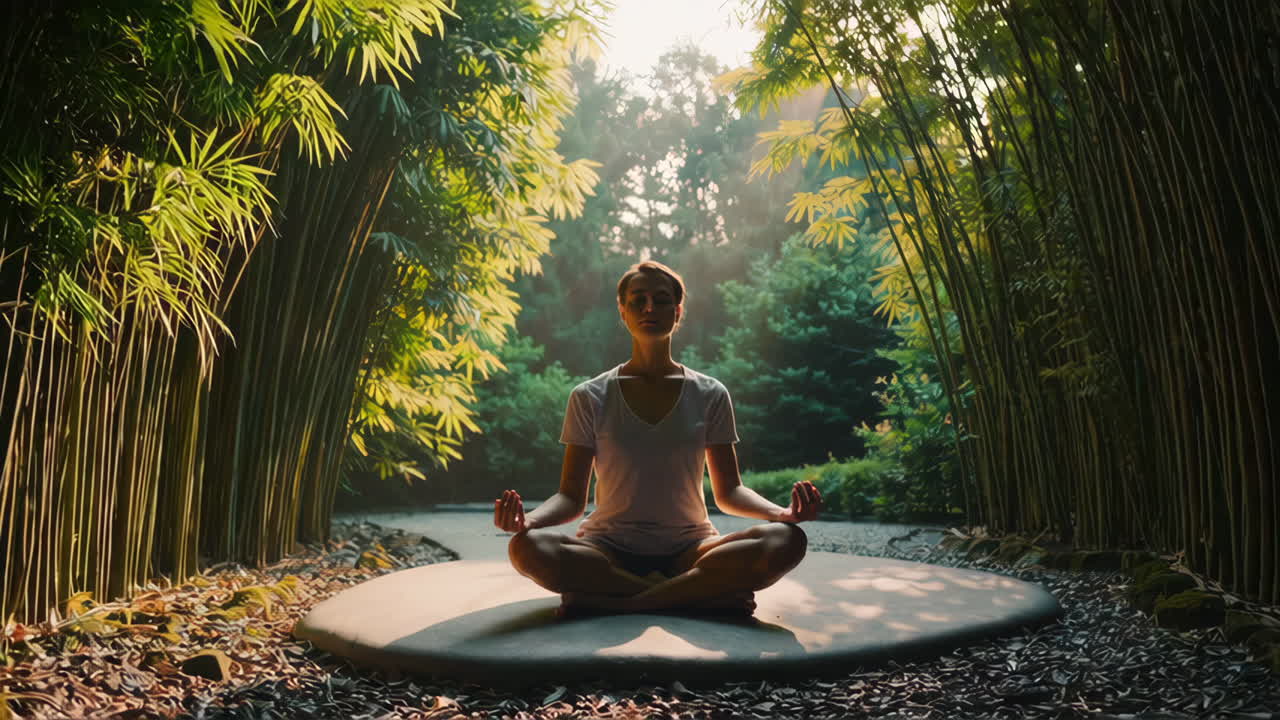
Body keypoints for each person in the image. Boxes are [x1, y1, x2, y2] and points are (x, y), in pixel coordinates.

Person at [493, 261, 821, 614]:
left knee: (786, 540)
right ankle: (693, 595)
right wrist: (528, 522)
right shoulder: (590, 395)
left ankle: (620, 602)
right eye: (638, 300)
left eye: (662, 300)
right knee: (526, 549)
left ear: (678, 312)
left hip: (691, 546)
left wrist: (781, 513)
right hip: (607, 547)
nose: (650, 308)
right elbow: (571, 498)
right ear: (622, 311)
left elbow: (729, 493)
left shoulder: (710, 393)